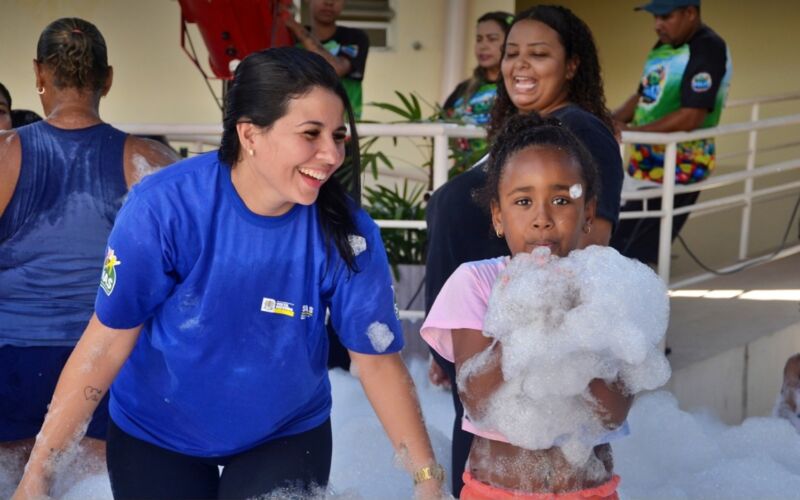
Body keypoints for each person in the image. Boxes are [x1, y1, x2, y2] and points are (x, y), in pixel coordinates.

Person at [13, 47, 444, 500]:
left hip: (284, 430)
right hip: (158, 429)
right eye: (311, 134)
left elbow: (376, 362)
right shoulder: (165, 208)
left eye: (338, 136)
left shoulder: (347, 233)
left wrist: (427, 480)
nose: (332, 154)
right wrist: (40, 471)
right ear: (249, 134)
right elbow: (106, 341)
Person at [424, 5, 624, 496]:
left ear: (572, 65)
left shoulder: (578, 130)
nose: (520, 65)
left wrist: (546, 308)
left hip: (530, 331)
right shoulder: (524, 136)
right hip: (489, 329)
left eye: (539, 54)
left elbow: (590, 239)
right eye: (512, 53)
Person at [0, 17, 178, 479]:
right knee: (92, 484)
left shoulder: (3, 154)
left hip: (12, 359)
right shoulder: (155, 163)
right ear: (108, 78)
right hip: (109, 362)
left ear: (39, 74)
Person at [611, 0, 732, 265]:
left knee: (628, 250)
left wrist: (633, 131)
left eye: (665, 17)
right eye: (655, 18)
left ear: (690, 13)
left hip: (679, 166)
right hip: (643, 164)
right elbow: (644, 95)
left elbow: (692, 116)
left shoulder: (708, 47)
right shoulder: (665, 45)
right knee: (619, 244)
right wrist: (609, 120)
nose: (657, 25)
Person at [442, 11, 513, 176]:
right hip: (461, 176)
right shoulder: (463, 89)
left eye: (492, 39)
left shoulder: (517, 88)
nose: (483, 45)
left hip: (501, 176)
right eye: (479, 39)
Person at [284, 0, 369, 119]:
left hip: (344, 129)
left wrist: (300, 32)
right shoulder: (289, 38)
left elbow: (336, 69)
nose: (329, 2)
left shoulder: (355, 37)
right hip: (300, 125)